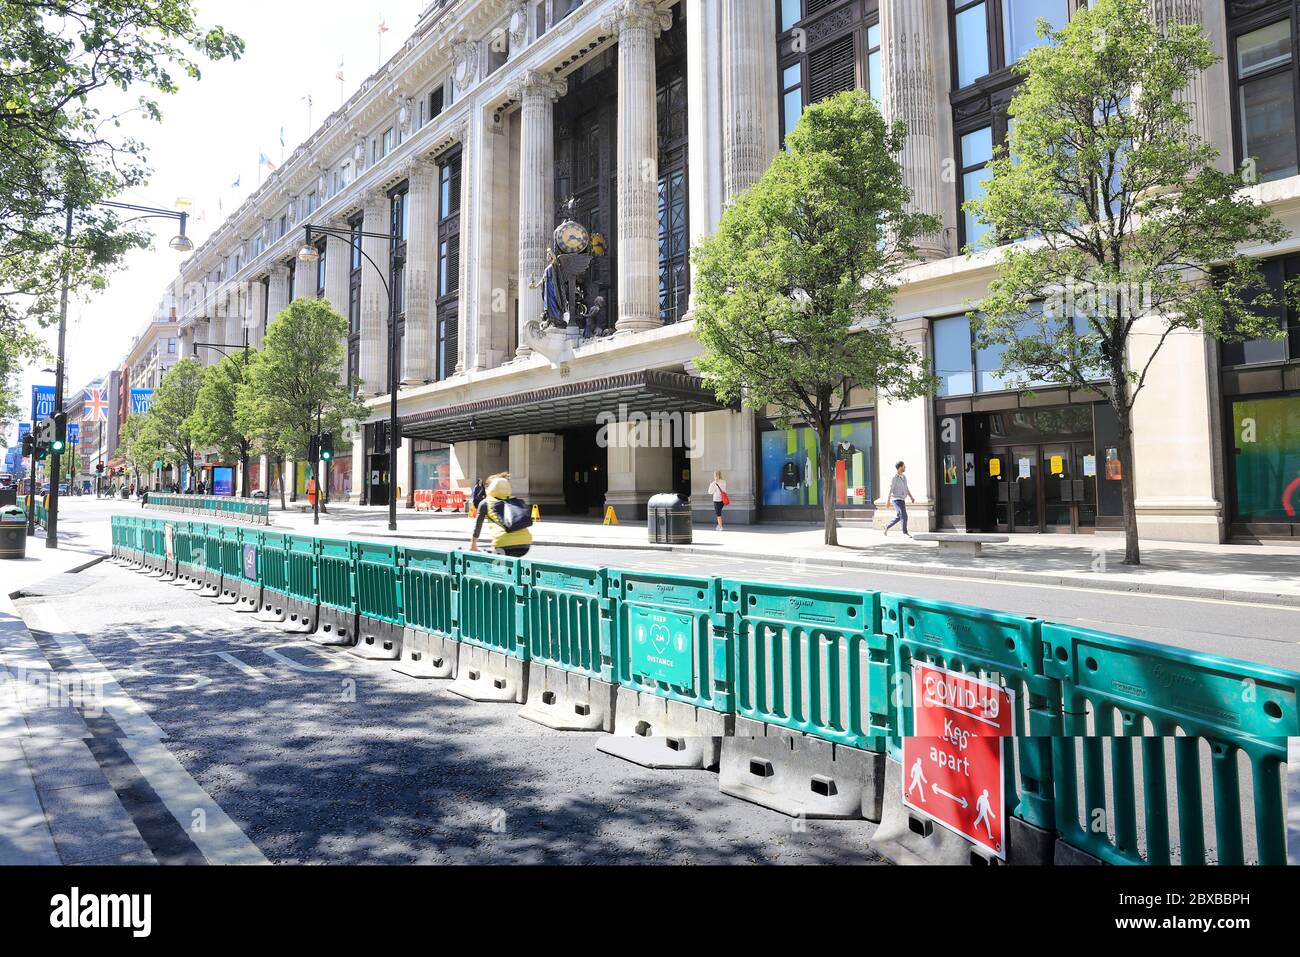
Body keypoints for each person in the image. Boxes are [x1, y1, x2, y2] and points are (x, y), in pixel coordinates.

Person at [469, 473, 532, 557]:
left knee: (497, 567)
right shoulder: (514, 501)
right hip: (525, 543)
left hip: (502, 545)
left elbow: (478, 526)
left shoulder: (485, 502)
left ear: (491, 488)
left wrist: (473, 545)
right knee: (511, 566)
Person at [883, 461, 915, 537]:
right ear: (900, 467)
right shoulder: (895, 477)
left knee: (900, 516)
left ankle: (886, 526)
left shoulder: (904, 477)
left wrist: (911, 497)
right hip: (896, 499)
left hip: (902, 499)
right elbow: (890, 489)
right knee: (904, 515)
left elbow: (906, 488)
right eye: (904, 466)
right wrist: (888, 501)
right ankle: (905, 532)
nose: (905, 468)